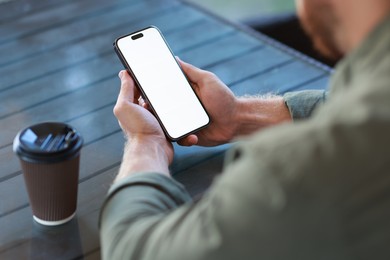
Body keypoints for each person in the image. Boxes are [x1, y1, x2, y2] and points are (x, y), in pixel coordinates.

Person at [100, 0, 390, 259]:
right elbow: (355, 110)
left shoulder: (297, 173)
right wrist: (238, 116)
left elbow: (132, 249)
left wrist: (146, 141)